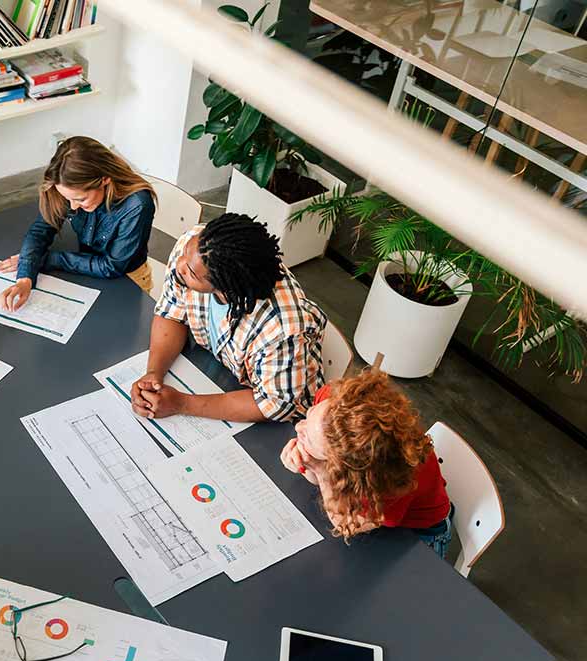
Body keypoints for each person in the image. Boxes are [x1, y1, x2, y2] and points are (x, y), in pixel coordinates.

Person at [130, 213, 326, 424]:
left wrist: (182, 404)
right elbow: (172, 314)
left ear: (226, 287)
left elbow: (273, 404)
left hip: (284, 418)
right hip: (220, 374)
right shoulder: (199, 247)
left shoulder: (283, 329)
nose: (180, 265)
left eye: (192, 274)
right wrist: (153, 373)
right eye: (186, 254)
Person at [280, 368, 454, 558]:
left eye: (309, 438)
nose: (298, 426)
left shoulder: (379, 480)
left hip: (419, 531)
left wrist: (320, 471)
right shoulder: (333, 405)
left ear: (343, 463)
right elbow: (321, 477)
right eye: (310, 414)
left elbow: (346, 523)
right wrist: (306, 462)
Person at [0, 136, 157, 310]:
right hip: (84, 267)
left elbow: (112, 266)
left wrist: (43, 259)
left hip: (127, 280)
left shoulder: (138, 204)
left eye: (81, 199)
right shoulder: (66, 184)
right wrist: (25, 277)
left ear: (104, 180)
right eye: (68, 199)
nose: (72, 206)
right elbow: (41, 230)